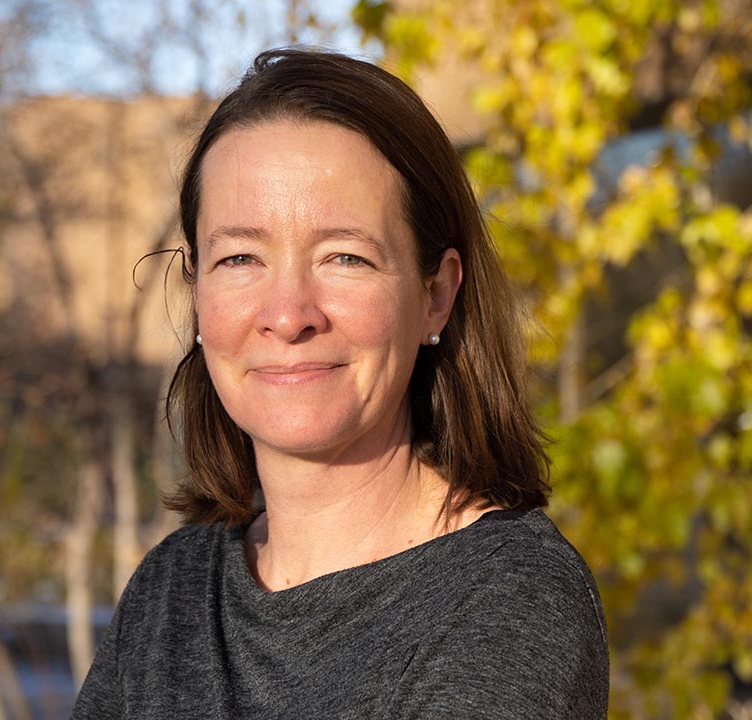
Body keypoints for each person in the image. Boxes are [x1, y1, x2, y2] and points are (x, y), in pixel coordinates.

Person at [72, 48, 609, 719]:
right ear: (198, 292)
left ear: (435, 295)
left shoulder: (509, 597)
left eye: (345, 257)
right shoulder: (171, 591)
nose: (289, 314)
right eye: (240, 257)